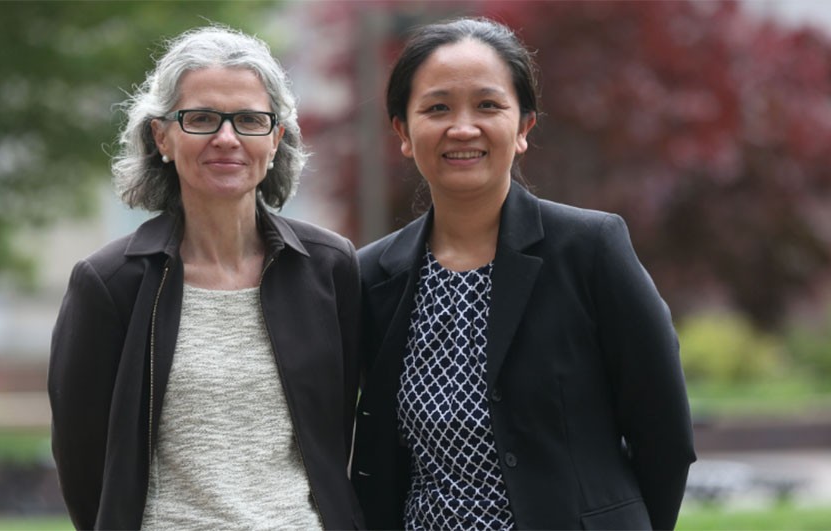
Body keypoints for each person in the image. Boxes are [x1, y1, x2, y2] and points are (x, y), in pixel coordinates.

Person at [351, 17, 696, 530]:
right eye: (437, 107)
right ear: (403, 130)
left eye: (488, 106)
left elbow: (664, 431)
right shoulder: (373, 275)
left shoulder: (589, 248)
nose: (463, 128)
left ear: (523, 127)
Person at [48, 25, 364, 530]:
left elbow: (339, 434)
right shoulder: (108, 284)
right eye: (201, 118)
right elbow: (82, 464)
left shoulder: (328, 268)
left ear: (276, 137)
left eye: (248, 120)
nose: (226, 138)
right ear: (163, 136)